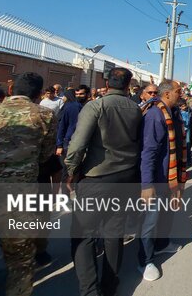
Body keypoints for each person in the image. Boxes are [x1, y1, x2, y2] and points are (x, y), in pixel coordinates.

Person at [0, 72, 57, 296]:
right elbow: (45, 155)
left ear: (11, 90)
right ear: (40, 94)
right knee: (20, 259)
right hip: (20, 198)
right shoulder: (45, 115)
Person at [65, 67, 143, 296]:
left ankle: (90, 290)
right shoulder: (135, 109)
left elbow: (78, 144)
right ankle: (110, 284)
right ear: (129, 85)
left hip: (98, 177)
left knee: (83, 233)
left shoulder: (96, 105)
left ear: (107, 82)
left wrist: (71, 170)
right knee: (113, 230)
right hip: (126, 175)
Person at [138, 80, 186, 281]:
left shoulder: (173, 112)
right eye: (178, 91)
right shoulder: (155, 114)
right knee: (150, 221)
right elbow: (148, 152)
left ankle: (161, 244)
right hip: (156, 178)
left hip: (170, 177)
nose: (181, 94)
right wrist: (147, 185)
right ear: (167, 94)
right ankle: (144, 260)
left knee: (166, 214)